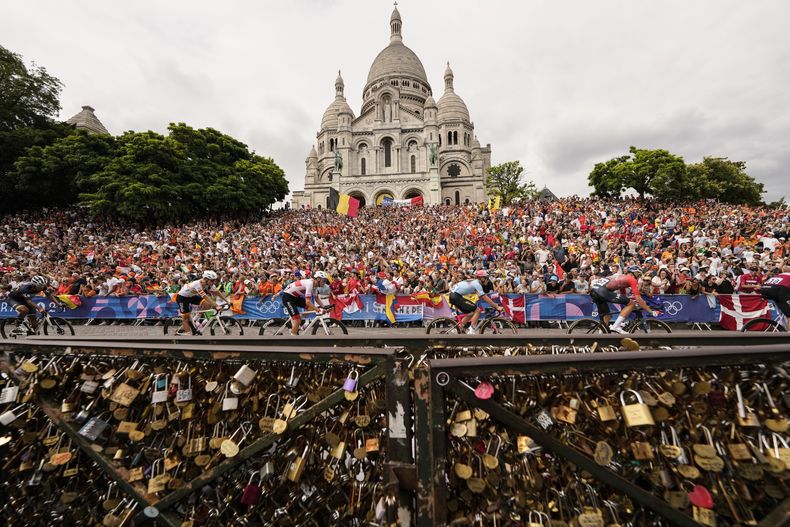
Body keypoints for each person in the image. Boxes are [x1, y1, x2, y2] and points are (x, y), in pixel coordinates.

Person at [589, 265, 659, 334]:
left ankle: (600, 337)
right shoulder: (632, 279)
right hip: (602, 291)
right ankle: (616, 326)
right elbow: (638, 298)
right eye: (638, 275)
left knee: (607, 315)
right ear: (634, 273)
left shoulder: (621, 277)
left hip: (594, 291)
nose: (638, 278)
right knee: (631, 304)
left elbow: (623, 294)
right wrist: (650, 311)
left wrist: (628, 303)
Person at [448, 270, 504, 334]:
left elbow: (483, 296)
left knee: (471, 313)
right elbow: (484, 297)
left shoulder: (475, 282)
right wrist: (496, 306)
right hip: (456, 296)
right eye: (487, 278)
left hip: (455, 296)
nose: (488, 280)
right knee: (477, 310)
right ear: (482, 278)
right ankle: (472, 329)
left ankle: (458, 328)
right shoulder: (477, 284)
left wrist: (493, 304)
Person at [175, 270, 229, 335]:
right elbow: (205, 297)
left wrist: (226, 301)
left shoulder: (209, 284)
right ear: (206, 279)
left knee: (207, 305)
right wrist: (216, 305)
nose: (213, 282)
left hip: (191, 296)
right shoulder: (197, 284)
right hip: (182, 297)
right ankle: (187, 333)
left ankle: (195, 319)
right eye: (212, 280)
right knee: (186, 317)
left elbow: (217, 292)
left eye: (214, 280)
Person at [281, 270, 330, 335]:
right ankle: (292, 338)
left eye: (325, 281)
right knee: (297, 321)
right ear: (318, 279)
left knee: (311, 308)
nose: (324, 282)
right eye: (323, 281)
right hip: (287, 297)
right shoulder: (310, 284)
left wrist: (324, 306)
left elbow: (316, 298)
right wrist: (318, 310)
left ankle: (299, 318)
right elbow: (308, 302)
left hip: (294, 297)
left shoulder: (315, 286)